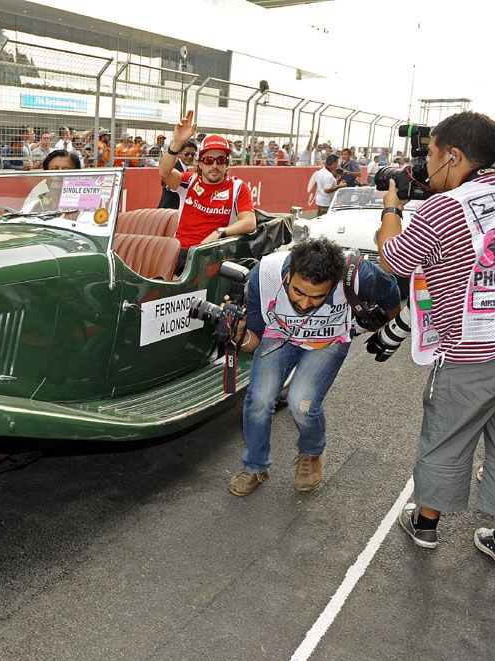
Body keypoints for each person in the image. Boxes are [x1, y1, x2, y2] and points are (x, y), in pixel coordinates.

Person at [376, 111, 495, 558]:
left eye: (431, 154)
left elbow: (393, 260)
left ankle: (426, 525)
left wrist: (392, 207)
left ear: (455, 155)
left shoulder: (443, 208)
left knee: (446, 439)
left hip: (469, 356)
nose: (425, 166)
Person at [227, 238, 401, 496]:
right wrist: (238, 333)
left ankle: (311, 452)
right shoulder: (264, 276)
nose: (305, 304)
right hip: (279, 335)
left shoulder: (359, 274)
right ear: (289, 274)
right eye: (298, 292)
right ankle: (255, 466)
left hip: (328, 340)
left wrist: (391, 329)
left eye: (317, 296)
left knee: (302, 404)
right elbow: (252, 343)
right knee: (259, 400)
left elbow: (391, 296)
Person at [159, 111, 256, 271]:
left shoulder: (237, 186)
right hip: (180, 252)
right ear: (201, 164)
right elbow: (165, 173)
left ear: (226, 164)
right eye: (209, 160)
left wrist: (220, 232)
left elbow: (249, 222)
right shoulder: (188, 181)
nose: (215, 166)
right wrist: (177, 143)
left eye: (221, 160)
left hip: (211, 255)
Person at [158, 139, 196, 209]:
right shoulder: (173, 168)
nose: (190, 157)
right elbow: (165, 181)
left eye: (192, 154)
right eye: (187, 154)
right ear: (179, 154)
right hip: (168, 211)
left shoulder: (188, 170)